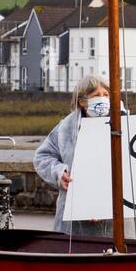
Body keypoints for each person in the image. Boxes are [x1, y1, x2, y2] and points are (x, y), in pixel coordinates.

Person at [33, 75, 114, 236]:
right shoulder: (66, 128)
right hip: (73, 219)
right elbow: (42, 156)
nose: (103, 99)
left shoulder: (122, 122)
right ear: (82, 101)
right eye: (97, 95)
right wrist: (59, 172)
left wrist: (103, 204)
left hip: (115, 219)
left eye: (106, 95)